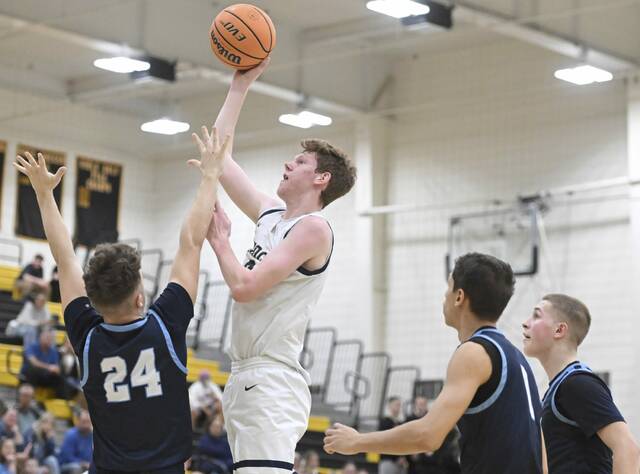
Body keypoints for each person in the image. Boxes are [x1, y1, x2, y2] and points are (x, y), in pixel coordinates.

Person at [13, 127, 228, 472]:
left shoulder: (87, 337)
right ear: (140, 298)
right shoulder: (164, 326)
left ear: (94, 300)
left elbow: (65, 259)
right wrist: (211, 176)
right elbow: (191, 241)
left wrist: (43, 195)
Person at [208, 58, 357, 473]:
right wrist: (239, 87)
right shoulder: (272, 213)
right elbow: (218, 158)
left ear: (321, 179)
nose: (288, 165)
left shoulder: (313, 229)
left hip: (271, 379)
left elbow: (245, 287)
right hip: (244, 374)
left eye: (300, 162)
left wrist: (220, 243)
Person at [324, 253, 543, 474]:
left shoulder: (473, 353)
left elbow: (428, 435)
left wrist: (357, 441)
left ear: (459, 297)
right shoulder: (516, 357)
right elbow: (541, 446)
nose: (444, 297)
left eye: (447, 288)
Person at [522, 294, 640, 473]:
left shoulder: (577, 384)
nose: (525, 323)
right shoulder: (558, 389)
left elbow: (627, 447)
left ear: (559, 330)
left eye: (536, 315)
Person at [20, 330, 64, 397]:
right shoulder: (32, 347)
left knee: (60, 376)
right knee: (33, 370)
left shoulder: (53, 351)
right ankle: (31, 398)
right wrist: (49, 367)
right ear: (41, 337)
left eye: (50, 339)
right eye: (47, 338)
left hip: (44, 376)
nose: (49, 340)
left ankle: (60, 400)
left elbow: (56, 367)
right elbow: (34, 362)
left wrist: (56, 370)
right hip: (29, 375)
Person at [378, 397, 406, 474]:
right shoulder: (384, 421)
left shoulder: (401, 423)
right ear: (390, 406)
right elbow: (384, 441)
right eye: (396, 405)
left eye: (400, 405)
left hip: (400, 461)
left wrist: (402, 457)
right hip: (388, 460)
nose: (398, 407)